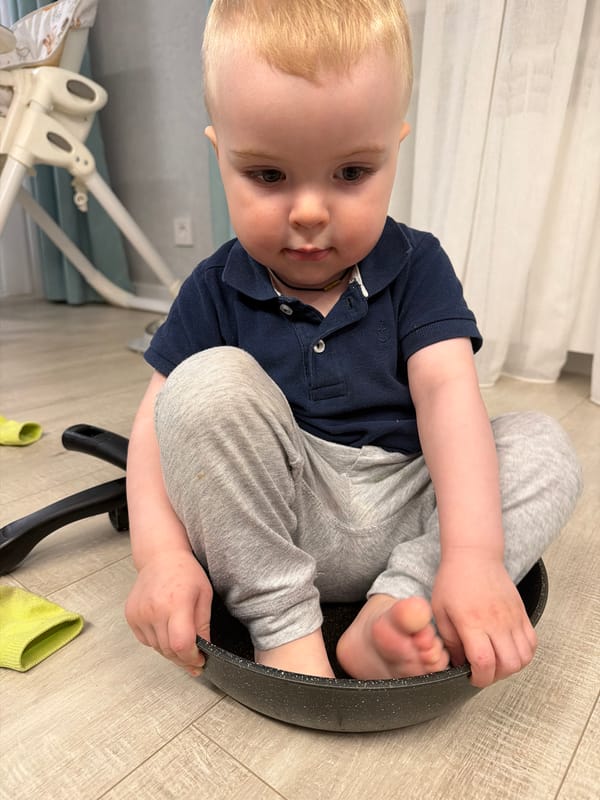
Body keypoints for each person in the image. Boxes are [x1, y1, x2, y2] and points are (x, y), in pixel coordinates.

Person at [124, 0, 582, 688]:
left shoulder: (417, 264)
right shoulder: (213, 286)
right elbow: (154, 429)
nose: (309, 211)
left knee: (543, 447)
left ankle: (398, 607)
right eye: (269, 176)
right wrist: (161, 557)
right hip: (278, 518)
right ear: (222, 155)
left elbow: (447, 392)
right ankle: (284, 629)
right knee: (201, 384)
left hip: (405, 507)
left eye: (350, 174)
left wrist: (474, 554)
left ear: (394, 149)